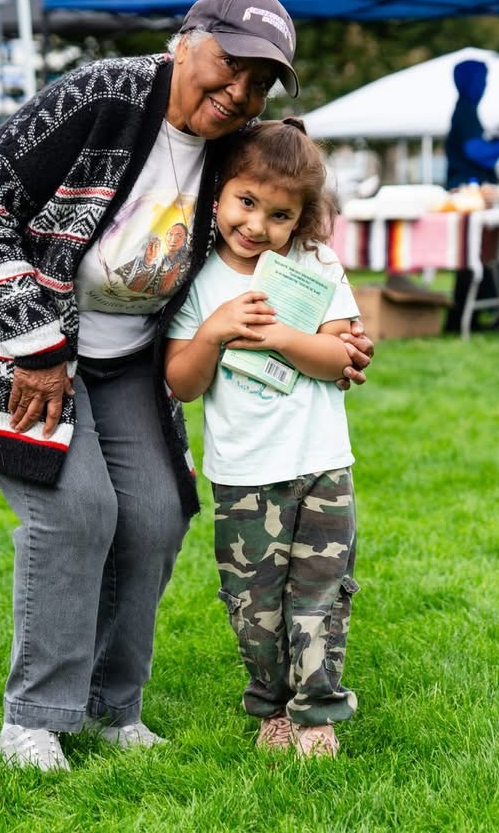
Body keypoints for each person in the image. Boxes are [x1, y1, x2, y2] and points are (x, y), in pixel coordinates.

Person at [0, 0, 374, 774]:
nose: (238, 91)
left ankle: (110, 707)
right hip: (8, 337)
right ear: (186, 40)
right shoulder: (103, 95)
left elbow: (272, 231)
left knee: (158, 515)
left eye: (259, 83)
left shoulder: (233, 148)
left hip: (125, 353)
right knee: (78, 509)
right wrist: (36, 344)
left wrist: (336, 330)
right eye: (230, 65)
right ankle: (32, 719)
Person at [164, 118, 359, 759]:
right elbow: (182, 383)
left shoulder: (314, 264)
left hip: (322, 464)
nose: (257, 225)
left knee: (320, 595)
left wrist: (279, 337)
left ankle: (317, 711)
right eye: (246, 202)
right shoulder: (197, 279)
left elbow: (341, 358)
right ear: (219, 190)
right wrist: (216, 331)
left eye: (279, 215)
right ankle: (271, 703)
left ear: (300, 220)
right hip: (245, 473)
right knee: (255, 603)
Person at [444, 59, 494, 188]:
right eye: (482, 79)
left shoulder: (464, 108)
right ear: (470, 80)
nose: (484, 84)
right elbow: (475, 150)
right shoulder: (466, 110)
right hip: (465, 184)